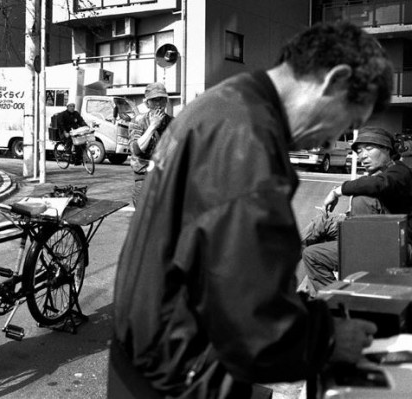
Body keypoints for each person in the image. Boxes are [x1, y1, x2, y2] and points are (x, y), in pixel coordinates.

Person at [110, 21, 393, 399]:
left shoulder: (223, 102)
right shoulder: (248, 139)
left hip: (152, 353)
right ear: (334, 81)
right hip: (185, 373)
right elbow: (250, 320)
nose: (333, 140)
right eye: (349, 122)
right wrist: (327, 338)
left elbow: (220, 267)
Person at [301, 126, 412, 294]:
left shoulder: (399, 172)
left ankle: (342, 295)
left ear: (387, 149)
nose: (362, 156)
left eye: (369, 148)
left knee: (362, 199)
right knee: (318, 232)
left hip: (394, 245)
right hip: (372, 234)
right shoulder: (377, 174)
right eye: (359, 151)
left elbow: (377, 186)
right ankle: (327, 295)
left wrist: (337, 191)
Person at [129, 82, 173, 206]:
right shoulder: (138, 122)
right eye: (154, 100)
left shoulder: (173, 123)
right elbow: (137, 149)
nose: (158, 104)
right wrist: (153, 125)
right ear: (147, 103)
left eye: (162, 100)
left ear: (166, 102)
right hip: (144, 177)